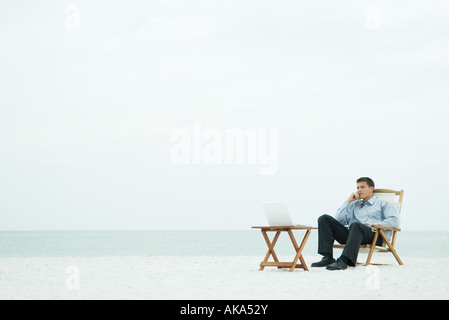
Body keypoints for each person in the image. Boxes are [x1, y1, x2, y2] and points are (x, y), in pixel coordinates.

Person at [312, 177, 400, 270]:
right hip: (353, 235)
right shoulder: (355, 204)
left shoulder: (383, 203)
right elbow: (338, 220)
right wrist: (348, 201)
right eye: (357, 188)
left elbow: (395, 221)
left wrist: (374, 226)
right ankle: (328, 257)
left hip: (374, 235)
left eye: (362, 187)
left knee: (356, 225)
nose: (359, 190)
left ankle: (344, 260)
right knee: (324, 219)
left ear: (371, 189)